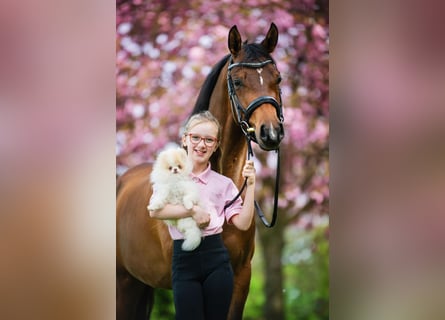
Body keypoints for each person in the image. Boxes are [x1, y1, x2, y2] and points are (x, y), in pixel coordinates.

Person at [148, 110, 256, 320]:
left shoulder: (224, 184)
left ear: (215, 146)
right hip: (183, 260)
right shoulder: (170, 175)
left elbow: (242, 224)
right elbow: (154, 210)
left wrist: (251, 186)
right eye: (195, 137)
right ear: (185, 139)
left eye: (209, 140)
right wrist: (191, 210)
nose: (201, 144)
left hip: (216, 259)